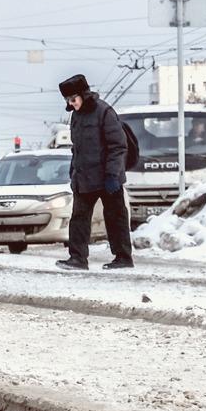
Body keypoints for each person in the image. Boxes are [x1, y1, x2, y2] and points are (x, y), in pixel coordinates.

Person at [55, 74, 133, 270]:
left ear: (83, 95)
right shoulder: (76, 116)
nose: (71, 104)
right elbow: (77, 148)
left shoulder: (104, 112)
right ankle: (77, 258)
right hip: (84, 178)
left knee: (115, 217)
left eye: (73, 99)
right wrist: (74, 172)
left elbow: (118, 146)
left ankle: (123, 257)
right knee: (79, 218)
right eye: (68, 101)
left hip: (108, 178)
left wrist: (112, 175)